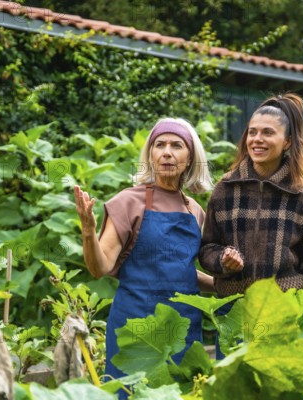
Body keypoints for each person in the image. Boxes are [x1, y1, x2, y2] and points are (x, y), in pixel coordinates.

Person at [74, 117, 214, 385]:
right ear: (150, 154)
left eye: (177, 145)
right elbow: (99, 268)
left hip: (182, 326)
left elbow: (180, 272)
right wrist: (88, 230)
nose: (167, 152)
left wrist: (225, 285)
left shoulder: (194, 210)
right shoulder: (129, 202)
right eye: (159, 145)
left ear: (191, 156)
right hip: (136, 325)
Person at [199, 93, 303, 302]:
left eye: (268, 133)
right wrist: (223, 260)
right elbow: (208, 248)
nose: (257, 139)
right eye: (252, 132)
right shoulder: (225, 189)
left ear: (287, 142)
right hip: (233, 309)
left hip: (284, 307)